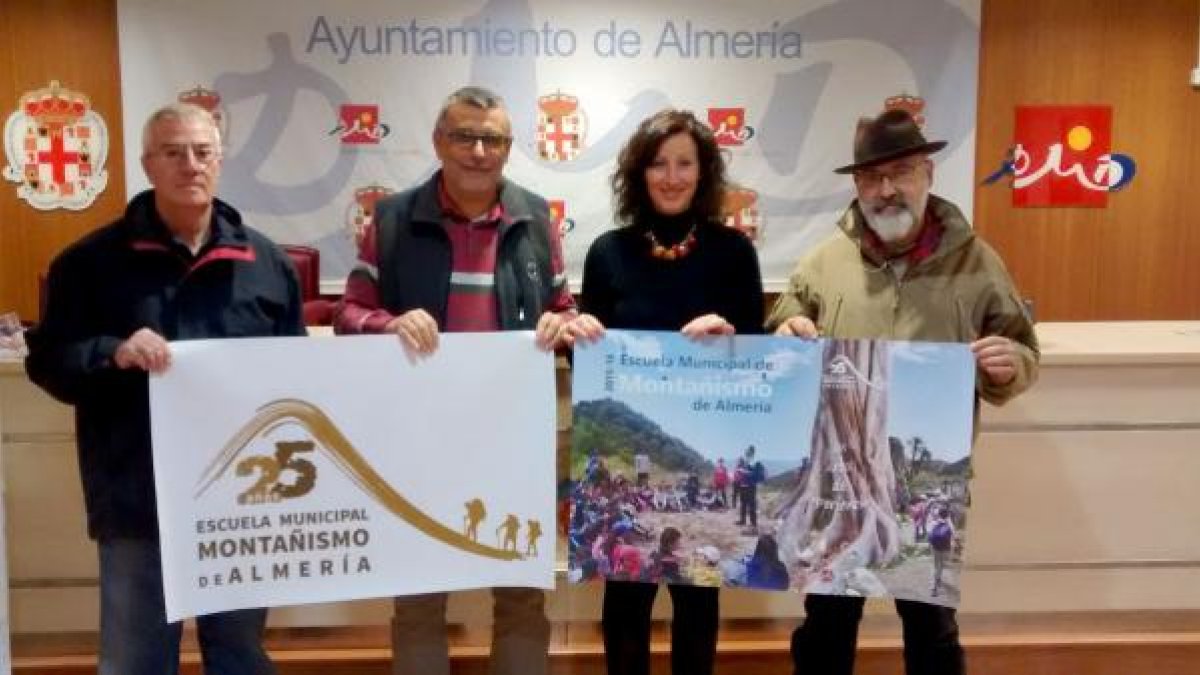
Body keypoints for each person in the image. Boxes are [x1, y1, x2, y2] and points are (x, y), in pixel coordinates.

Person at [24, 102, 304, 675]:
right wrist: (112, 351)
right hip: (136, 494)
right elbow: (48, 361)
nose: (190, 165)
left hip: (244, 499)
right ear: (148, 164)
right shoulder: (88, 263)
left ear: (220, 160)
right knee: (135, 660)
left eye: (202, 152)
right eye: (173, 153)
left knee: (240, 655)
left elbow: (294, 374)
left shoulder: (268, 264)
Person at [768, 108, 1039, 675]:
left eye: (901, 172)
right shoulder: (825, 260)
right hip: (840, 480)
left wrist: (1008, 364)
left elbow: (1021, 348)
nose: (886, 190)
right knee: (828, 620)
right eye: (872, 177)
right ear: (857, 186)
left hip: (926, 483)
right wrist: (786, 330)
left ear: (928, 174)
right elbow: (784, 323)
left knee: (931, 624)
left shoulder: (978, 263)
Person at [334, 85, 576, 675]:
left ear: (509, 148)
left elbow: (565, 310)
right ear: (439, 141)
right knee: (419, 596)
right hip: (419, 440)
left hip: (513, 440)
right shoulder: (392, 219)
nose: (479, 151)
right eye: (465, 136)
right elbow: (348, 314)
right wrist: (389, 324)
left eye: (493, 139)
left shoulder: (537, 220)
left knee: (522, 594)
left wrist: (563, 324)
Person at [561, 108, 764, 675]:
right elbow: (590, 363)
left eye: (684, 164)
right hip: (630, 456)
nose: (671, 177)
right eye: (658, 164)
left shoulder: (734, 251)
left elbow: (758, 360)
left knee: (698, 602)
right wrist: (579, 336)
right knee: (625, 603)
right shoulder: (607, 252)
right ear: (639, 173)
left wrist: (731, 336)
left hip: (704, 438)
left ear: (704, 172)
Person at [736, 444, 765, 530]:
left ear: (752, 452)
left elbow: (755, 475)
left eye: (748, 452)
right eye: (746, 452)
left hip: (751, 486)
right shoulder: (746, 462)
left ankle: (753, 523)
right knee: (743, 504)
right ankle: (742, 520)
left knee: (752, 505)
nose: (746, 453)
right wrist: (740, 472)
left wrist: (744, 472)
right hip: (743, 485)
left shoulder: (756, 463)